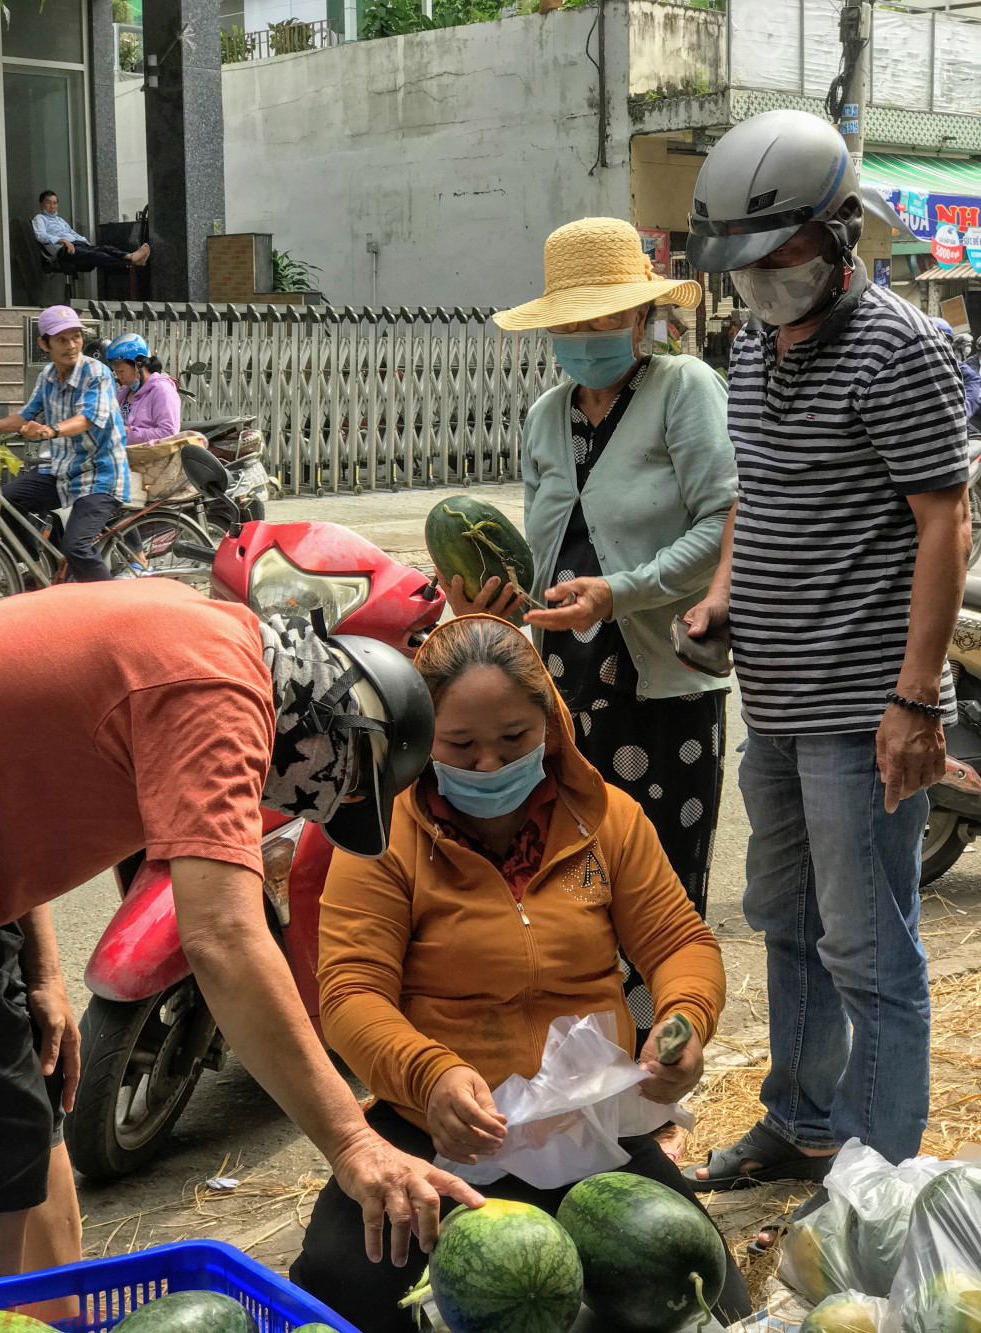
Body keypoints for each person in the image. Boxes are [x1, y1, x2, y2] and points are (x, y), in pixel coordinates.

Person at [0, 579, 484, 1280]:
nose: (306, 801)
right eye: (337, 785)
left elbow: (7, 776)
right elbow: (221, 936)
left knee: (27, 1135)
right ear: (340, 722)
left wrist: (41, 971)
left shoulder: (208, 634)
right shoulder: (216, 693)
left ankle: (52, 1314)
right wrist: (351, 1141)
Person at [290, 614, 750, 1333]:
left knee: (703, 1294)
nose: (487, 766)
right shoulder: (381, 835)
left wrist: (684, 1017)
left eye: (513, 740)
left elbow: (680, 941)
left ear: (553, 727)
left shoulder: (608, 820)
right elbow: (350, 994)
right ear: (421, 742)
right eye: (460, 745)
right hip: (433, 1129)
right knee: (340, 1286)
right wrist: (430, 1073)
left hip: (585, 1127)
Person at [680, 110, 971, 1240]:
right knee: (784, 919)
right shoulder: (754, 344)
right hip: (782, 699)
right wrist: (721, 591)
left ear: (837, 234)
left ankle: (880, 1183)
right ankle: (800, 1117)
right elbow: (756, 491)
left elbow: (942, 525)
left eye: (776, 260)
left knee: (869, 943)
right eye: (738, 268)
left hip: (867, 707)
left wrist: (913, 700)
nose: (756, 285)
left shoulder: (901, 347)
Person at [442, 216, 737, 1050]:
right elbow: (542, 549)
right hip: (561, 683)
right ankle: (579, 1075)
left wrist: (620, 592)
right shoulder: (544, 415)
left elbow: (723, 523)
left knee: (662, 892)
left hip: (660, 679)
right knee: (568, 888)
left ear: (640, 319)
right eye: (570, 323)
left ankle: (660, 1090)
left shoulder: (685, 389)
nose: (586, 336)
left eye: (603, 319)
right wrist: (496, 601)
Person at [0, 305, 130, 582]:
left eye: (75, 337)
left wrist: (48, 431)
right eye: (61, 339)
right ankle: (34, 565)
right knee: (6, 498)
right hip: (60, 471)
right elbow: (24, 417)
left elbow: (86, 419)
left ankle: (113, 609)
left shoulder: (96, 372)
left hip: (99, 474)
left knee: (76, 547)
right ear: (44, 344)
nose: (72, 345)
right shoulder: (47, 376)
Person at [32, 190, 150, 275]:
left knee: (106, 249)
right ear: (41, 204)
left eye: (55, 203)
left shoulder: (59, 220)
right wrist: (63, 241)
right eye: (48, 203)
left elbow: (71, 232)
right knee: (98, 256)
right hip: (63, 250)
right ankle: (131, 262)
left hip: (77, 245)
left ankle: (131, 257)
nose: (52, 206)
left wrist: (84, 240)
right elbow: (40, 235)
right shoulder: (40, 218)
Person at [106, 334, 183, 443]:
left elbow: (169, 433)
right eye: (116, 372)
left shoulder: (162, 391)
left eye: (121, 371)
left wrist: (126, 432)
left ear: (139, 364)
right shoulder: (123, 392)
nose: (119, 377)